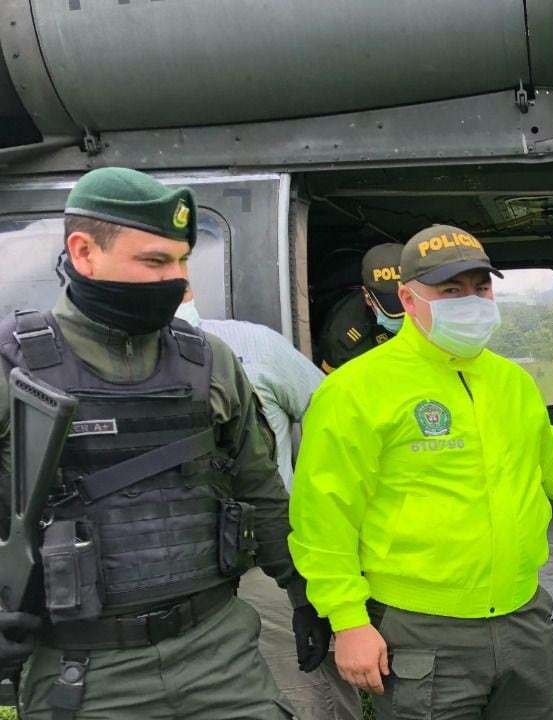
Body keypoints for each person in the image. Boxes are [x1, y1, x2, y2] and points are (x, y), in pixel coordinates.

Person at [289, 225, 553, 720]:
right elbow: (322, 516)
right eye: (450, 290)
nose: (470, 301)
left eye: (480, 287)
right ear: (408, 299)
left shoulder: (511, 381)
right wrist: (348, 621)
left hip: (523, 614)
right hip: (421, 627)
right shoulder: (355, 389)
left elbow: (552, 461)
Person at [0, 167, 326, 719]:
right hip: (85, 669)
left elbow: (260, 490)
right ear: (83, 252)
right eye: (155, 261)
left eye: (182, 261)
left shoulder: (210, 361)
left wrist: (303, 592)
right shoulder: (14, 367)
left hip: (218, 652)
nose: (175, 279)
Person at [175, 302, 361, 720]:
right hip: (154, 589)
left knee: (307, 702)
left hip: (266, 569)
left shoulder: (253, 345)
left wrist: (320, 516)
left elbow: (337, 421)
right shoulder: (69, 362)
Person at [316, 243, 404, 373]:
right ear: (367, 297)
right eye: (394, 304)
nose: (405, 314)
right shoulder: (342, 341)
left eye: (409, 297)